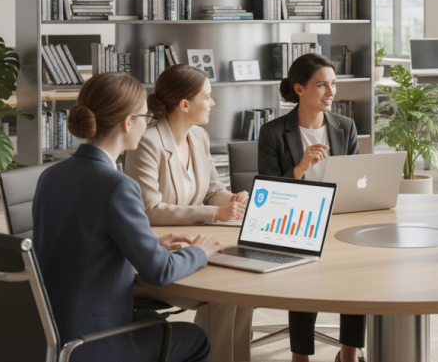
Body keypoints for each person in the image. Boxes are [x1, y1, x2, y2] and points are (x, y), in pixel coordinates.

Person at [33, 72, 223, 362]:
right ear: (127, 122)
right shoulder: (117, 185)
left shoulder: (50, 175)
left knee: (154, 322)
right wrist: (199, 252)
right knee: (196, 339)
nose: (147, 123)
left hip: (47, 329)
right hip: (93, 340)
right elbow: (158, 273)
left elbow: (83, 242)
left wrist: (152, 242)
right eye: (145, 116)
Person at [125, 64, 252, 362]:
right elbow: (149, 209)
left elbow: (211, 190)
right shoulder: (148, 141)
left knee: (243, 290)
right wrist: (215, 213)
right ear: (185, 104)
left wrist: (230, 200)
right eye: (207, 97)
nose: (212, 103)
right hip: (158, 253)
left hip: (199, 242)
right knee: (224, 296)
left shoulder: (199, 137)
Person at [257, 53, 365, 362]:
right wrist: (300, 167)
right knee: (304, 277)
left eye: (333, 84)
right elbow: (267, 190)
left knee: (356, 275)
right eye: (322, 85)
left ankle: (349, 353)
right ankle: (300, 356)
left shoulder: (345, 126)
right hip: (295, 220)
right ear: (300, 89)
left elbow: (357, 178)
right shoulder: (273, 132)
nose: (331, 93)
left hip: (339, 217)